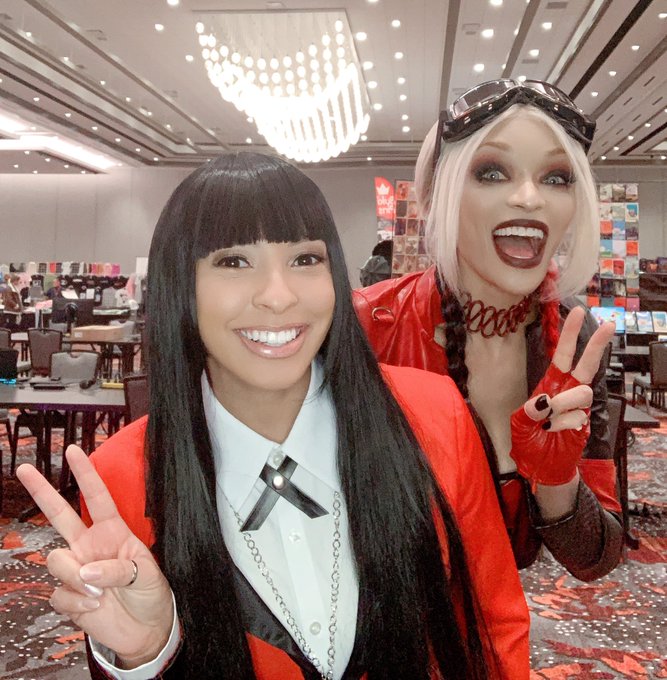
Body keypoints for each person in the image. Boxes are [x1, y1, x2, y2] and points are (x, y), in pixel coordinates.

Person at [18, 152, 529, 680]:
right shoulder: (120, 474)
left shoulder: (434, 414)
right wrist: (150, 653)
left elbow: (495, 624)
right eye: (234, 262)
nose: (280, 297)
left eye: (305, 259)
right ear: (180, 286)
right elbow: (130, 636)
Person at [353, 80, 623, 581]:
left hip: (503, 621)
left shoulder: (575, 339)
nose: (529, 198)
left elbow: (595, 558)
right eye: (492, 172)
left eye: (556, 177)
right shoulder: (368, 325)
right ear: (436, 195)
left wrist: (558, 481)